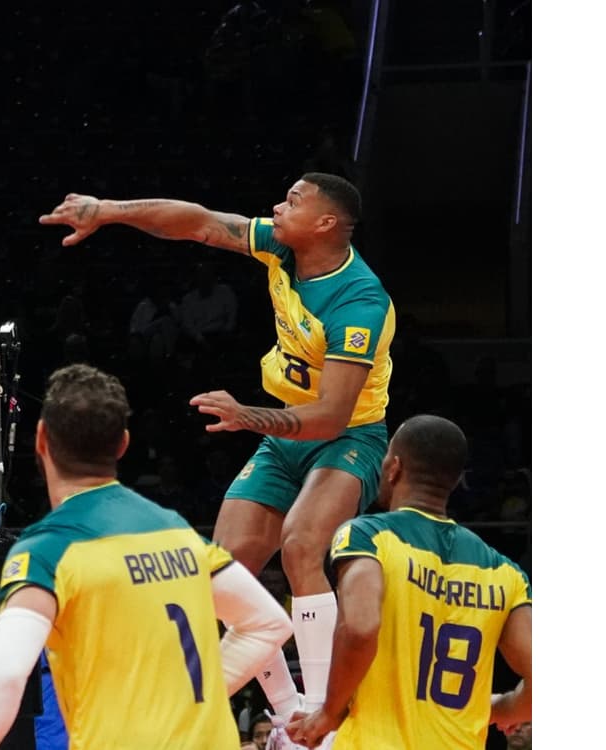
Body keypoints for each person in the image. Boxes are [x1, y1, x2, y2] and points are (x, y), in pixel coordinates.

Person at [40, 174, 395, 743]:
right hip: (284, 435)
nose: (278, 205)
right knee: (223, 568)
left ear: (327, 223)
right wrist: (106, 208)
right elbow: (198, 221)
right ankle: (285, 717)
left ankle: (322, 717)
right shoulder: (281, 246)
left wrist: (246, 414)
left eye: (294, 202)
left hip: (347, 436)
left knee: (304, 544)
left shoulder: (360, 303)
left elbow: (330, 416)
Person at [0, 364, 293, 749]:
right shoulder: (178, 532)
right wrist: (192, 693)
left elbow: (6, 677)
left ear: (42, 440)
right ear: (123, 444)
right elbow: (269, 623)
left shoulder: (47, 550)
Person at [286, 415, 532, 748]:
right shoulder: (504, 571)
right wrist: (503, 708)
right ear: (457, 480)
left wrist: (329, 711)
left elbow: (360, 628)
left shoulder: (368, 536)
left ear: (393, 467)